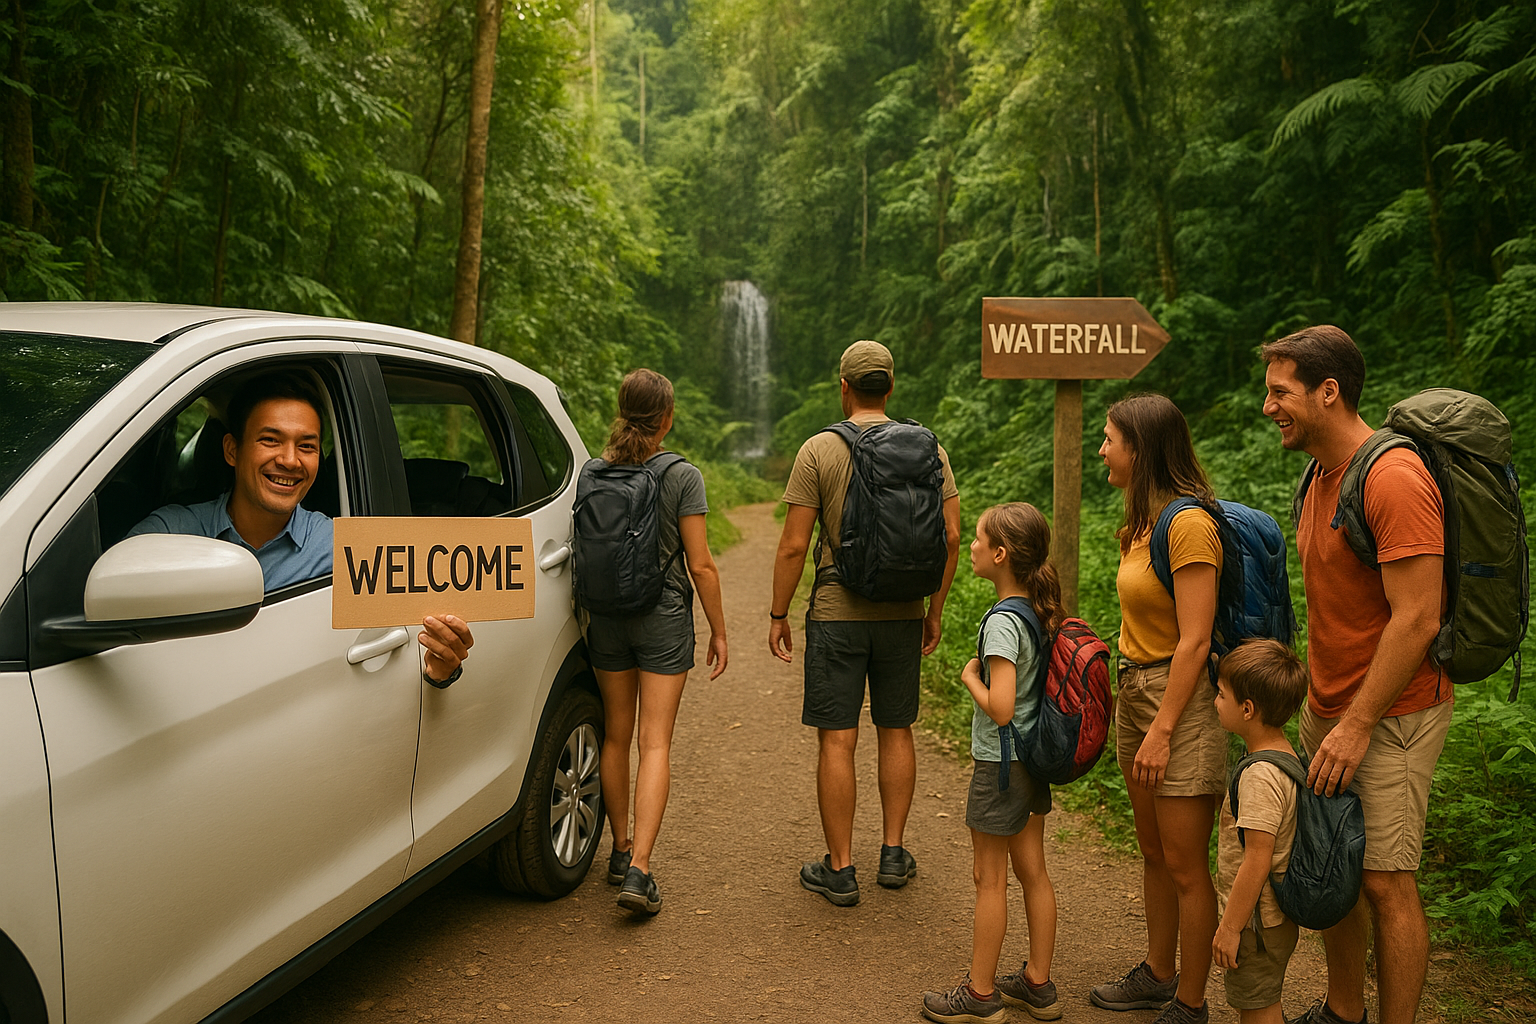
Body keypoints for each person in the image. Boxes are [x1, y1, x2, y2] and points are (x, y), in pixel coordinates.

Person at [1261, 326, 1447, 1024]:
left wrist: (1359, 723)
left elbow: (1418, 618)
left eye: (1280, 392)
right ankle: (1344, 1012)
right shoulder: (1317, 477)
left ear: (1328, 391)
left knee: (1385, 882)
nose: (1267, 406)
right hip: (1330, 706)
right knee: (1337, 868)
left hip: (1392, 713)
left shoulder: (1394, 477)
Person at [768, 339, 961, 907]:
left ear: (845, 387)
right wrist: (936, 608)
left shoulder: (819, 450)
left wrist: (778, 614)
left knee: (839, 738)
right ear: (891, 387)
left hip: (838, 613)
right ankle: (894, 853)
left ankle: (841, 867)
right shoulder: (930, 448)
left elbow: (793, 545)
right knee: (896, 729)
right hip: (903, 611)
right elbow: (950, 536)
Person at [128, 371, 472, 685]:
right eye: (271, 440)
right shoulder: (169, 533)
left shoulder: (343, 548)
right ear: (233, 450)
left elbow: (402, 639)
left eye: (306, 446)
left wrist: (442, 668)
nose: (290, 461)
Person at [1092, 393, 1225, 1024]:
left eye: (1110, 439)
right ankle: (1158, 973)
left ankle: (1191, 1002)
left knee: (1184, 861)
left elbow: (1196, 640)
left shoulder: (1189, 524)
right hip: (1135, 691)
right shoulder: (1141, 522)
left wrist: (1164, 729)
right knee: (1152, 851)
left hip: (1181, 700)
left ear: (1139, 448)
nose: (1102, 450)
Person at [583, 368, 729, 918]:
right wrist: (718, 629)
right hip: (662, 615)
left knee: (616, 736)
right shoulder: (681, 475)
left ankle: (619, 850)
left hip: (606, 616)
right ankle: (641, 870)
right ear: (667, 418)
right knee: (656, 742)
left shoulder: (594, 472)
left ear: (622, 410)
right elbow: (701, 564)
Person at [921, 503, 1061, 1024]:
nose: (971, 546)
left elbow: (1001, 707)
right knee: (1033, 872)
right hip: (1033, 761)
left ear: (1001, 555)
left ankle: (980, 995)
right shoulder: (1035, 609)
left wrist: (969, 678)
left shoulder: (1003, 622)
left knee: (990, 879)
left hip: (1001, 765)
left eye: (979, 540)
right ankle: (1037, 984)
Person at [1211, 640, 1311, 1024]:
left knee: (1257, 1010)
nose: (1216, 701)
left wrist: (1230, 928)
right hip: (1272, 919)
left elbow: (1257, 857)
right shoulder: (1285, 755)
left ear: (1247, 709)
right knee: (1265, 1001)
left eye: (1221, 695)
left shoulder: (1260, 776)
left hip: (1256, 923)